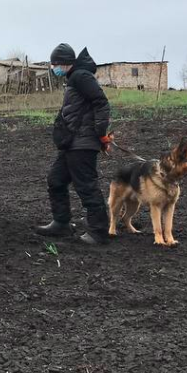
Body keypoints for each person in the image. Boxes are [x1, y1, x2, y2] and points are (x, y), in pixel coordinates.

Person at [35, 43, 112, 246]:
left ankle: (98, 231)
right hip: (71, 142)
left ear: (62, 62)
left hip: (82, 142)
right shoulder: (73, 78)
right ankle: (61, 223)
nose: (53, 68)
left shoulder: (81, 77)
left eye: (54, 64)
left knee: (86, 186)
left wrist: (101, 134)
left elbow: (101, 103)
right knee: (56, 180)